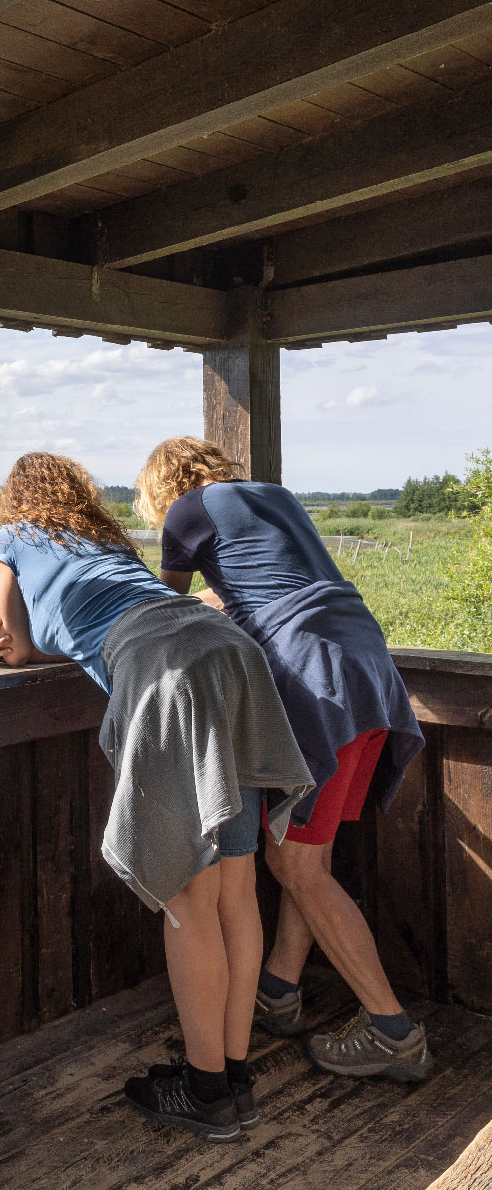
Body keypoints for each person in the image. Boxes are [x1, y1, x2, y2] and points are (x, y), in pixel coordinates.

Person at [0, 452, 312, 1142]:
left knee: (187, 893)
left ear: (13, 499)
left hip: (166, 665)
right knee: (237, 889)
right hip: (225, 646)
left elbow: (8, 638)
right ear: (81, 494)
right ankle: (236, 1075)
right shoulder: (109, 539)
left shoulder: (10, 537)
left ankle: (207, 1092)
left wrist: (7, 652)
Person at [136, 437, 430, 1082]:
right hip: (370, 674)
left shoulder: (187, 512)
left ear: (162, 484)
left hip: (317, 683)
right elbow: (274, 579)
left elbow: (165, 612)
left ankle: (392, 1030)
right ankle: (278, 989)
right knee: (311, 855)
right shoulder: (275, 497)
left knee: (294, 864)